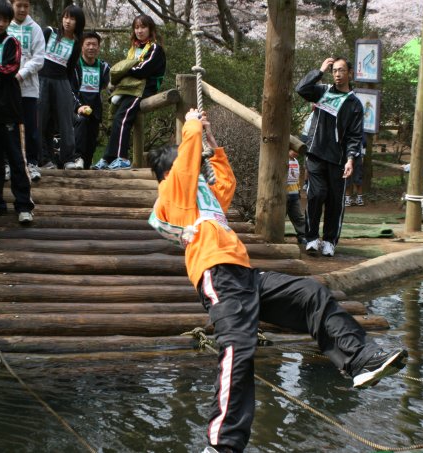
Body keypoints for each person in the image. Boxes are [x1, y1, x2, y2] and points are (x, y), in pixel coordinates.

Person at [148, 109, 407, 453]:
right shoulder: (172, 193)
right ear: (171, 171)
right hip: (217, 275)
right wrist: (192, 124)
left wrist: (214, 145)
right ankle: (222, 445)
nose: (195, 166)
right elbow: (184, 166)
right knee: (238, 349)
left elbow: (226, 183)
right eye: (189, 162)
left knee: (311, 293)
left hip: (245, 275)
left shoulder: (203, 197)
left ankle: (361, 359)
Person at [295, 57, 364, 257]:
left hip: (339, 160)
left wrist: (350, 159)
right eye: (334, 70)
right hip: (316, 153)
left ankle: (329, 241)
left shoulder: (354, 104)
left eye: (341, 70)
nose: (337, 74)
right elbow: (301, 89)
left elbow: (355, 136)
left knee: (335, 202)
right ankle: (311, 238)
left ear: (350, 73)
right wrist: (320, 71)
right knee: (316, 196)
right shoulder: (323, 91)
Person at [0, 0, 34, 224]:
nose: (0, 23)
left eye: (5, 20)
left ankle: (24, 205)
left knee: (16, 159)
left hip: (9, 110)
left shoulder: (12, 42)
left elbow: (9, 70)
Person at [91, 14, 165, 170]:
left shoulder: (155, 48)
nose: (139, 31)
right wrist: (125, 71)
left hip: (144, 88)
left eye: (143, 27)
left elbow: (142, 70)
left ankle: (122, 158)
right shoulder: (134, 49)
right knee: (116, 118)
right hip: (130, 88)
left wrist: (123, 70)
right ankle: (108, 157)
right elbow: (129, 67)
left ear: (150, 29)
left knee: (123, 118)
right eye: (136, 27)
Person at [37, 5, 84, 169]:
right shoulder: (49, 32)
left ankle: (68, 158)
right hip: (42, 79)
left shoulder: (76, 44)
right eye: (65, 17)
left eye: (72, 18)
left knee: (66, 120)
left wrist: (68, 91)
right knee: (40, 120)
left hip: (62, 82)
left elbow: (70, 69)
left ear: (78, 22)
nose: (68, 21)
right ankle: (42, 158)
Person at [7, 0, 45, 181]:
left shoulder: (35, 29)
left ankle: (32, 163)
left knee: (30, 128)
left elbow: (39, 59)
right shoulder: (5, 25)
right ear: (12, 5)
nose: (22, 9)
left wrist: (21, 74)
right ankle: (8, 163)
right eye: (18, 5)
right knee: (8, 127)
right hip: (7, 87)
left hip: (28, 88)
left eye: (26, 6)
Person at [69, 31, 110, 169]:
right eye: (88, 44)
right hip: (76, 109)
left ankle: (86, 165)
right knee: (81, 122)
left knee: (91, 143)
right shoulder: (75, 66)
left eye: (94, 44)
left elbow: (111, 85)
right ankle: (77, 157)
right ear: (82, 46)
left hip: (95, 110)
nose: (91, 47)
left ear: (98, 47)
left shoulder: (103, 67)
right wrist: (78, 106)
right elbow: (70, 90)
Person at [286, 149, 306, 244]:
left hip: (294, 194)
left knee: (298, 217)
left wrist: (298, 190)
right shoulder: (283, 160)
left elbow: (296, 178)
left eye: (298, 151)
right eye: (294, 150)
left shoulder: (296, 161)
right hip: (283, 195)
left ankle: (302, 235)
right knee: (279, 217)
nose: (296, 153)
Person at [345, 135, 365, 207]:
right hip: (345, 155)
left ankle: (359, 198)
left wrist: (362, 155)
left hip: (357, 156)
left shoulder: (359, 131)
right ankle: (347, 199)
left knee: (358, 177)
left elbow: (364, 143)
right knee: (346, 176)